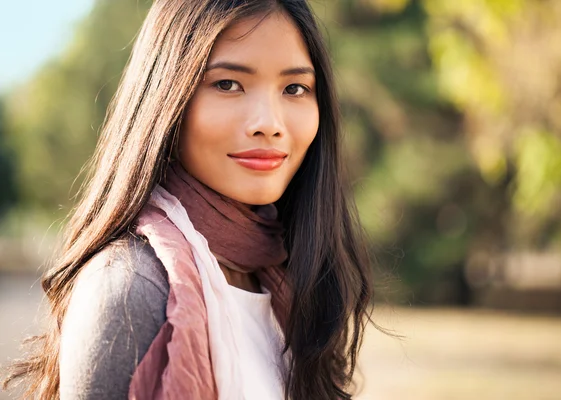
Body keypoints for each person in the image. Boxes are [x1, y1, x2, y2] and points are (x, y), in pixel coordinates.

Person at [3, 0, 373, 399]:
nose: (269, 123)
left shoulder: (286, 278)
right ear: (167, 98)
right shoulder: (129, 290)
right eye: (228, 84)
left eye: (294, 88)